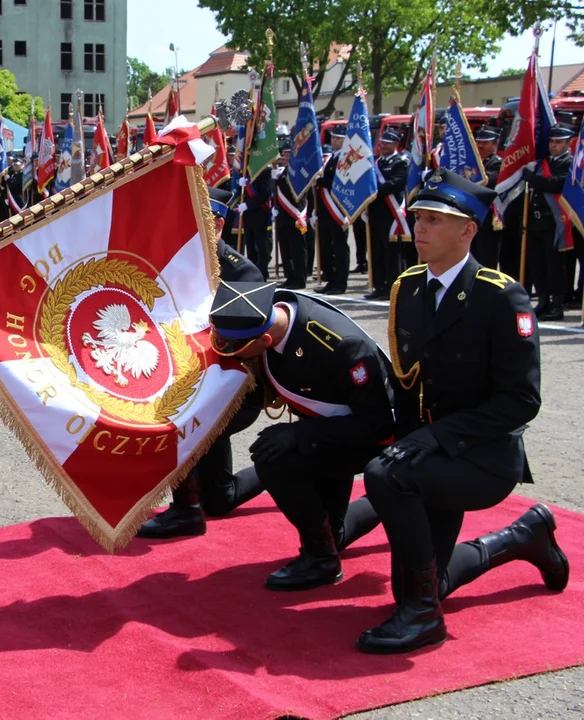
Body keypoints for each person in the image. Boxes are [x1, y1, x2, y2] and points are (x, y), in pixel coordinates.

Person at [357, 169, 567, 654]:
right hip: (428, 453)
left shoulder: (500, 296)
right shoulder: (408, 288)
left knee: (386, 480)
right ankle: (522, 537)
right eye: (418, 218)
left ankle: (425, 618)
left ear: (468, 230)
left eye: (434, 220)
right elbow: (408, 383)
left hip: (482, 456)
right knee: (416, 581)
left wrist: (434, 439)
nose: (420, 229)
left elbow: (520, 401)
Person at [208, 280, 391, 590]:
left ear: (265, 339)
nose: (230, 354)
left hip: (373, 436)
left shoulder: (341, 346)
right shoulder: (262, 314)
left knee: (277, 458)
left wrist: (300, 433)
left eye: (235, 348)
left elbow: (377, 425)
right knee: (338, 534)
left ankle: (321, 560)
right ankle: (378, 506)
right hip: (331, 429)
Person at [137, 187, 266, 539]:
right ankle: (271, 467)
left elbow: (242, 348)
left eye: (196, 222)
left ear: (219, 224)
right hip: (194, 381)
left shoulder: (243, 275)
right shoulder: (176, 265)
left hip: (234, 388)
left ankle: (185, 512)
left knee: (181, 412)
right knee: (220, 500)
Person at [521, 124, 573, 321]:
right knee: (537, 264)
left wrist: (532, 179)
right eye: (551, 141)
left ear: (568, 143)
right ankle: (542, 302)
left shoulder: (568, 163)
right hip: (535, 221)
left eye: (559, 142)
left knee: (554, 265)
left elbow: (556, 184)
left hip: (554, 221)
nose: (554, 145)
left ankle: (556, 305)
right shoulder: (542, 162)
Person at [366, 131, 408, 300]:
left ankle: (393, 288)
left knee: (392, 254)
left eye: (387, 144)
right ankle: (379, 286)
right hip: (376, 214)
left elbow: (394, 184)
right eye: (382, 143)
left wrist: (372, 190)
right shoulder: (375, 163)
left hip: (392, 214)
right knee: (376, 253)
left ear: (396, 144)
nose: (383, 146)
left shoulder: (400, 163)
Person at [314, 128, 349, 294]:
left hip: (337, 209)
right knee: (326, 246)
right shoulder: (330, 158)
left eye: (338, 138)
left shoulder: (345, 157)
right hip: (325, 210)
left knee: (339, 247)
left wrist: (322, 180)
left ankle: (340, 283)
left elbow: (341, 182)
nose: (334, 141)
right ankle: (330, 279)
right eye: (333, 138)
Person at [274, 140, 309, 290]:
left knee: (297, 250)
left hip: (295, 215)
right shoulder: (282, 171)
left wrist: (278, 180)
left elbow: (293, 191)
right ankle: (290, 276)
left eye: (289, 154)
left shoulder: (298, 171)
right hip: (283, 216)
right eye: (284, 155)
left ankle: (299, 279)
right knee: (286, 249)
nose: (286, 157)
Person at [470, 127, 503, 269]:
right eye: (478, 142)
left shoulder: (498, 163)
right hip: (471, 216)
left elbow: (487, 181)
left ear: (495, 144)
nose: (480, 146)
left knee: (486, 258)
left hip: (488, 218)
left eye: (485, 143)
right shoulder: (473, 163)